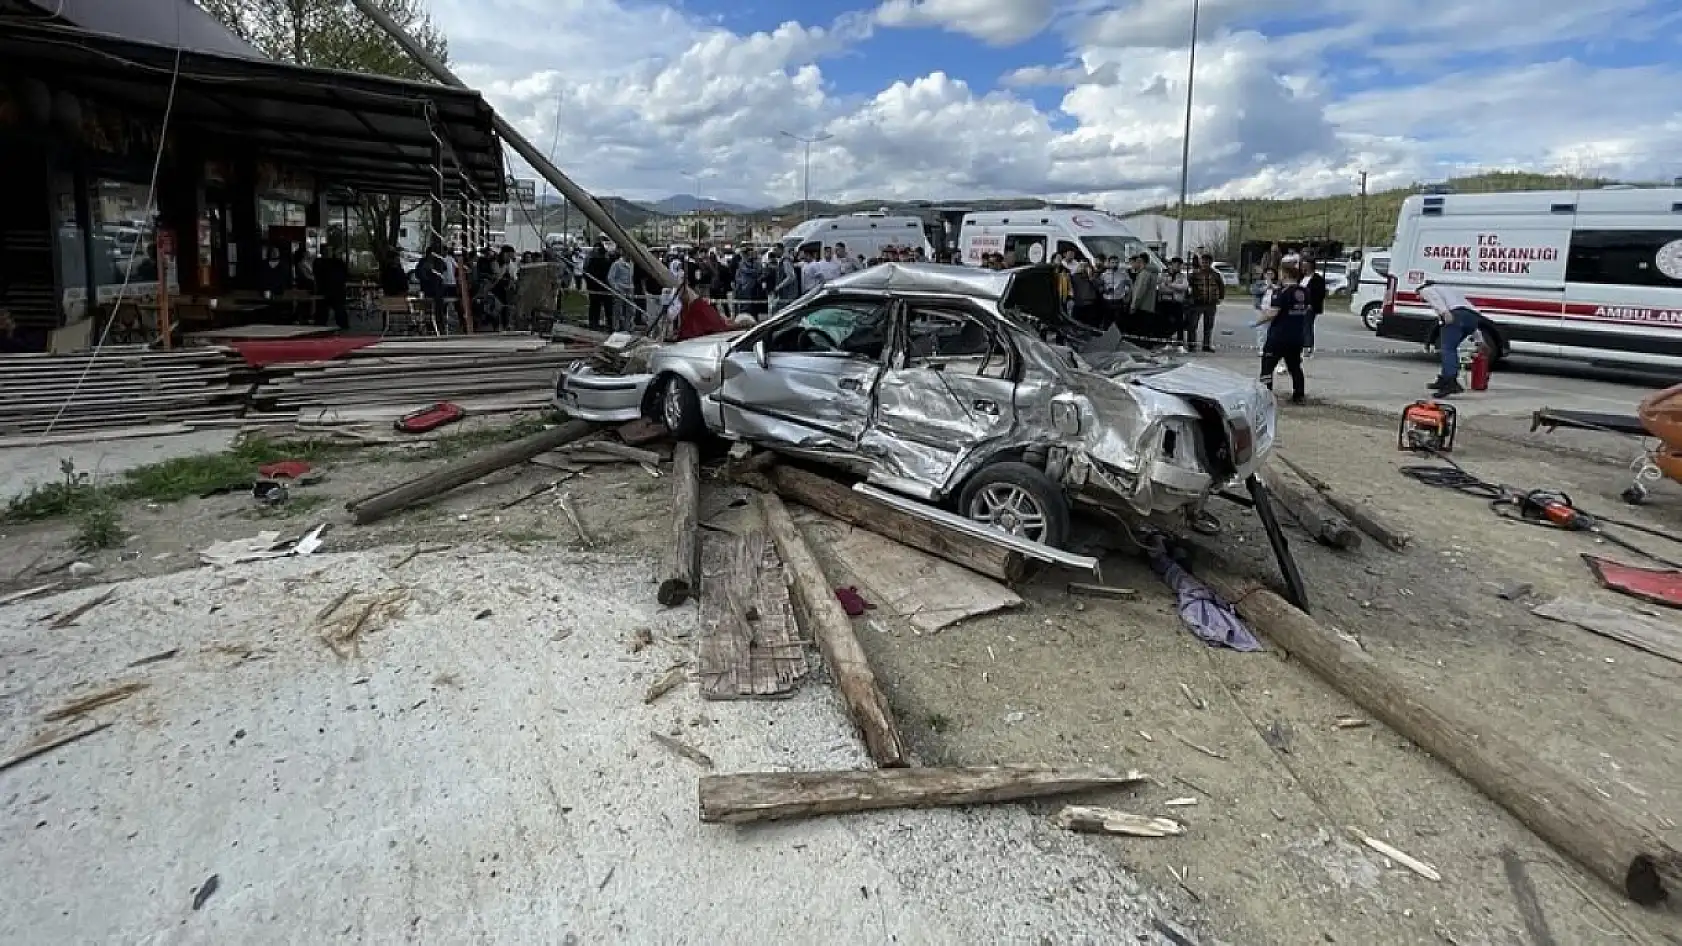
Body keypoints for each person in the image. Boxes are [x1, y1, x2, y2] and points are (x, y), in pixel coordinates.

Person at [1256, 263, 1309, 404]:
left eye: (1280, 273)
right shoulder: (1304, 292)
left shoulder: (1281, 292)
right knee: (1295, 367)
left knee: (1267, 366)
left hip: (1278, 336)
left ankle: (1265, 395)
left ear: (1285, 275)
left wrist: (1257, 322)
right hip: (1297, 336)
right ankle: (1299, 395)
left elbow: (1273, 312)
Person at [1417, 279, 1481, 397]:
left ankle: (1450, 383)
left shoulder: (1427, 290)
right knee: (1449, 348)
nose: (1421, 299)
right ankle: (1443, 379)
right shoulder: (1448, 291)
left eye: (1419, 296)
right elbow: (1468, 312)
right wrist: (1479, 340)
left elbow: (1436, 300)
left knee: (1448, 349)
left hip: (1456, 315)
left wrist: (1445, 312)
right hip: (1472, 318)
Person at [1185, 253, 1226, 352]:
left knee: (1208, 326)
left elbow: (1221, 287)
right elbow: (1187, 286)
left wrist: (1220, 297)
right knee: (1192, 325)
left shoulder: (1216, 274)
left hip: (1211, 304)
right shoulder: (1194, 274)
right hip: (1197, 304)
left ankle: (1206, 345)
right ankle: (1191, 345)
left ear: (1210, 263)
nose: (1204, 264)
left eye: (1206, 262)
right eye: (1203, 262)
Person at [315, 244, 350, 331]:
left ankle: (343, 326)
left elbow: (345, 273)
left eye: (329, 251)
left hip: (336, 290)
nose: (328, 253)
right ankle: (321, 325)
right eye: (326, 251)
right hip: (327, 290)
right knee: (323, 311)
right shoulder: (320, 262)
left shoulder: (337, 262)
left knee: (339, 310)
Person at [583, 241, 612, 331]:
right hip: (596, 287)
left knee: (607, 308)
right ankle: (594, 324)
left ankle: (608, 325)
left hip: (604, 287)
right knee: (596, 306)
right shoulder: (591, 260)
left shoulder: (606, 261)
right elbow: (586, 274)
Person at [1301, 258, 1327, 358]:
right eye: (1302, 265)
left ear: (1311, 266)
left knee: (1307, 326)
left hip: (1310, 307)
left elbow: (1320, 294)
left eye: (1305, 265)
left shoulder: (1318, 279)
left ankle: (1307, 347)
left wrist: (1311, 304)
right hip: (1299, 306)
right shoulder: (1302, 278)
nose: (1303, 267)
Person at [1069, 261, 1105, 329]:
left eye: (1086, 266)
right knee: (1076, 324)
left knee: (1091, 325)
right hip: (1078, 303)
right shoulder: (1074, 277)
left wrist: (1091, 278)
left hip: (1090, 304)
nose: (1083, 268)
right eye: (1082, 266)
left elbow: (1099, 287)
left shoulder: (1094, 276)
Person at [607, 250, 635, 331]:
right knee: (618, 310)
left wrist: (631, 287)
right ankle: (616, 327)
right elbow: (610, 278)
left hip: (629, 290)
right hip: (620, 290)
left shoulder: (632, 264)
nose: (631, 257)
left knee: (629, 310)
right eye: (629, 255)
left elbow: (631, 277)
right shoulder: (617, 264)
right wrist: (616, 288)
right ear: (625, 254)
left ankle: (627, 327)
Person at [732, 251, 765, 320]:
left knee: (754, 308)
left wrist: (757, 278)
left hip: (754, 289)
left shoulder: (757, 263)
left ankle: (753, 320)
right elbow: (738, 276)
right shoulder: (741, 264)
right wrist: (742, 282)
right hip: (744, 289)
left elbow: (759, 272)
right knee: (744, 307)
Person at [772, 247, 801, 311]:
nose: (774, 252)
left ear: (781, 250)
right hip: (787, 293)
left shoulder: (785, 261)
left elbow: (791, 277)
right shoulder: (783, 260)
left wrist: (778, 287)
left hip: (789, 294)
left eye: (775, 250)